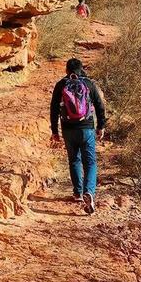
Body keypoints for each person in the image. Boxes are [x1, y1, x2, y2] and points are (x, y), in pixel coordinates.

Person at [50, 58, 106, 214]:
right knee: (90, 162)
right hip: (86, 128)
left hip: (68, 129)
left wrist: (54, 131)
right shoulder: (88, 84)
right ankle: (89, 191)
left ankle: (77, 193)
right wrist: (101, 126)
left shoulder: (61, 85)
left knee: (74, 159)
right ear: (81, 69)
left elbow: (54, 109)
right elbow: (100, 106)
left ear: (66, 70)